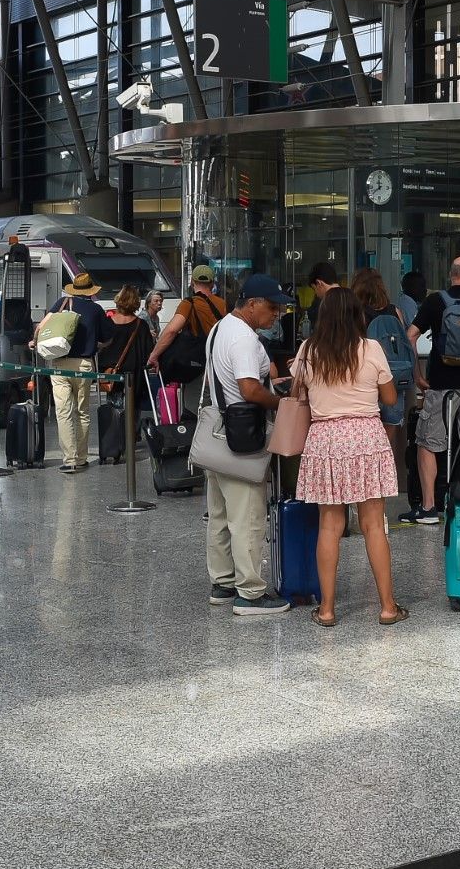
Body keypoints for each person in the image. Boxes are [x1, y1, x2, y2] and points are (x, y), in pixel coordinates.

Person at [294, 286, 406, 628]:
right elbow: (389, 398)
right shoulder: (370, 348)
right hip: (365, 438)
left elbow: (297, 393)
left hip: (325, 440)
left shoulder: (309, 351)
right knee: (374, 525)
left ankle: (327, 609)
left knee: (329, 526)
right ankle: (388, 606)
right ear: (357, 316)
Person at [203, 274, 292, 616]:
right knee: (248, 515)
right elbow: (249, 390)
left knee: (221, 514)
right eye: (272, 308)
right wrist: (281, 404)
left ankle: (223, 583)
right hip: (241, 437)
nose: (276, 315)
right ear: (252, 304)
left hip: (218, 433)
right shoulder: (242, 338)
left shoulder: (221, 328)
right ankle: (251, 593)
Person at [403, 255, 460, 525]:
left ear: (451, 275)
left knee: (428, 443)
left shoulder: (434, 302)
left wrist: (417, 374)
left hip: (440, 384)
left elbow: (410, 335)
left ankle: (430, 508)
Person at [355, 268, 412, 496]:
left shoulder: (358, 313)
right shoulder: (395, 312)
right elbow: (408, 345)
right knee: (388, 436)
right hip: (394, 379)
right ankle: (381, 485)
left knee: (365, 434)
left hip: (366, 381)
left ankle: (364, 484)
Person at [45, 271, 105, 474]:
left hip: (59, 363)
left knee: (63, 412)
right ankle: (81, 458)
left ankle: (69, 459)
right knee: (82, 412)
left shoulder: (61, 303)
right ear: (90, 290)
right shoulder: (96, 310)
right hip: (84, 365)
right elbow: (107, 337)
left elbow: (44, 326)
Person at [147, 264, 226, 381]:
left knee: (194, 398)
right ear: (212, 283)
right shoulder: (223, 304)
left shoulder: (189, 303)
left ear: (192, 282)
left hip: (196, 367)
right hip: (219, 364)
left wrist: (154, 355)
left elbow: (172, 330)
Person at [97, 285, 153, 420]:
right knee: (133, 408)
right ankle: (131, 435)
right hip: (135, 374)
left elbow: (100, 347)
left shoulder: (107, 323)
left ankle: (115, 432)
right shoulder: (141, 325)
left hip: (112, 372)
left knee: (114, 407)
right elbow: (148, 352)